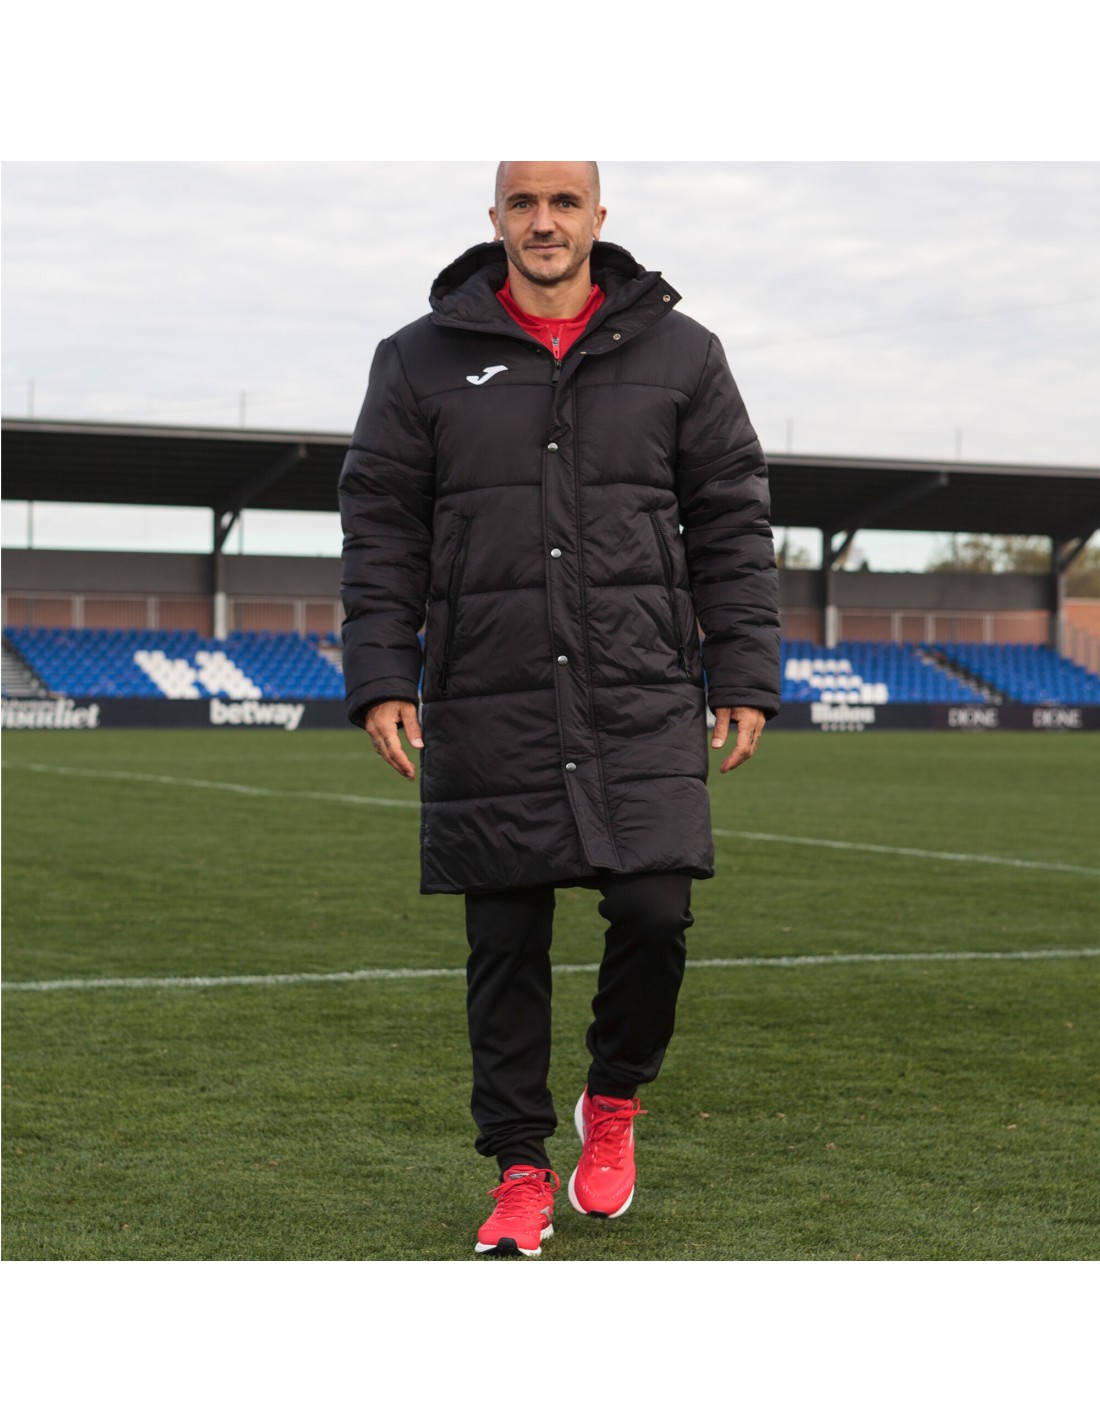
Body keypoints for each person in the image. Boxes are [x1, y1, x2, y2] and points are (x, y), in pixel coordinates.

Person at [339, 161, 780, 1258]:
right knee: (504, 940)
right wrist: (382, 672)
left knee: (655, 912)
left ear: (597, 216)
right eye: (523, 203)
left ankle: (613, 1096)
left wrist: (743, 670)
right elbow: (381, 525)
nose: (543, 222)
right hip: (489, 688)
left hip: (637, 685)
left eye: (563, 202)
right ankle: (520, 1171)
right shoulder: (416, 358)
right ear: (494, 217)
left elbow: (730, 520)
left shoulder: (684, 352)